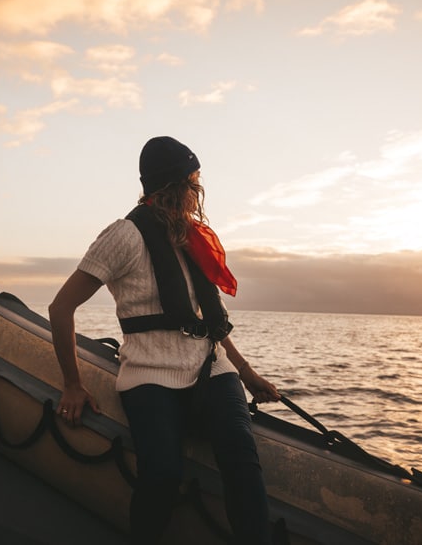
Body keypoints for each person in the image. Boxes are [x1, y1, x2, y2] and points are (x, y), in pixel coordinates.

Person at [49, 136, 281, 544]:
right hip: (149, 375)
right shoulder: (124, 235)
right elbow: (60, 308)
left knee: (243, 462)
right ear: (176, 186)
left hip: (212, 369)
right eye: (194, 182)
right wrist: (72, 383)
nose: (198, 191)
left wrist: (246, 373)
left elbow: (205, 324)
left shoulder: (190, 238)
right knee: (161, 475)